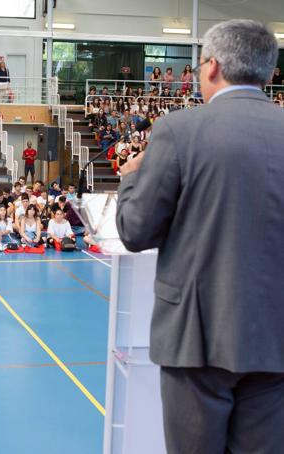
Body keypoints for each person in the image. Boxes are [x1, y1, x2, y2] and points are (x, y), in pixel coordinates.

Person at [115, 20, 284, 453]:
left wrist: (131, 181)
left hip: (196, 338)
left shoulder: (180, 130)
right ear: (267, 72)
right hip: (275, 337)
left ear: (211, 67)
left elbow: (136, 231)